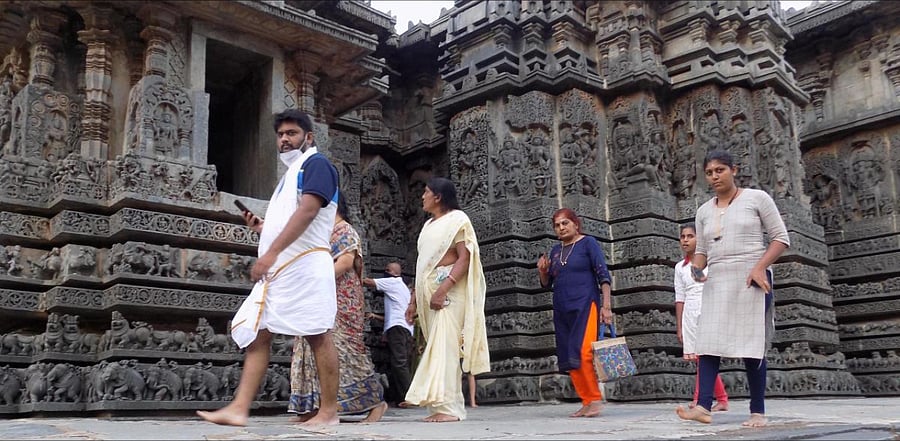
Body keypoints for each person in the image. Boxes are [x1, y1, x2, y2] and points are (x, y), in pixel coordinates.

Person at [198, 109, 340, 427]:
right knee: (258, 333)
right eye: (280, 135)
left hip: (305, 266)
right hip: (283, 268)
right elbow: (292, 218)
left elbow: (308, 212)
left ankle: (329, 412)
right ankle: (239, 408)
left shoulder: (317, 164)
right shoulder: (290, 176)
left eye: (292, 133)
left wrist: (270, 253)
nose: (284, 140)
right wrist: (263, 228)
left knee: (317, 335)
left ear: (309, 137)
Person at [676, 150, 789, 427]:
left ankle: (757, 412)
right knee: (707, 342)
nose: (714, 176)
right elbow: (702, 252)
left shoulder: (757, 198)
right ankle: (703, 407)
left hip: (752, 278)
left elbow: (780, 239)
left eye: (720, 170)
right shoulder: (704, 211)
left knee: (752, 344)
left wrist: (760, 267)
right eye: (709, 172)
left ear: (734, 170)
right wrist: (696, 269)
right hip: (717, 280)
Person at [290, 194, 388, 422]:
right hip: (318, 298)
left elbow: (344, 263)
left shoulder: (345, 231)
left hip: (341, 301)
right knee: (311, 349)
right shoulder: (320, 232)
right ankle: (314, 406)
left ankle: (376, 403)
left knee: (345, 352)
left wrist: (316, 279)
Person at [404, 177, 490, 422]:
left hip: (449, 294)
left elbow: (465, 258)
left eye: (426, 192)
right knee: (436, 348)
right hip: (428, 293)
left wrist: (443, 289)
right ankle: (438, 407)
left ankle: (451, 409)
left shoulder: (458, 220)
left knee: (446, 348)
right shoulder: (427, 226)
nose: (422, 196)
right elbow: (422, 266)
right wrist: (413, 301)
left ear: (438, 197)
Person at [537, 208, 613, 418]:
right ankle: (586, 401)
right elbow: (547, 283)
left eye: (565, 223)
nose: (561, 228)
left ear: (575, 224)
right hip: (562, 308)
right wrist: (542, 272)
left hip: (585, 305)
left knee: (583, 353)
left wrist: (606, 307)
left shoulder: (588, 243)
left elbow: (603, 276)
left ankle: (595, 399)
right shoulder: (555, 251)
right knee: (569, 356)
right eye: (557, 225)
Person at [674, 223, 728, 412]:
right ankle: (721, 398)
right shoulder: (680, 267)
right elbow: (680, 297)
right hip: (690, 312)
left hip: (709, 309)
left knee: (705, 356)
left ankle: (702, 398)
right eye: (683, 237)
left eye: (690, 236)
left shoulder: (711, 263)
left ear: (700, 239)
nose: (686, 240)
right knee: (700, 358)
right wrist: (679, 326)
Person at [363, 262, 415, 408]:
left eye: (387, 270)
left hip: (397, 328)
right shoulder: (403, 288)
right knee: (397, 363)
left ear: (393, 272)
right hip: (404, 328)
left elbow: (368, 282)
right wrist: (375, 316)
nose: (385, 272)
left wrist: (354, 272)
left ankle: (408, 397)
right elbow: (394, 313)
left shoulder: (393, 282)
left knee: (399, 363)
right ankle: (398, 397)